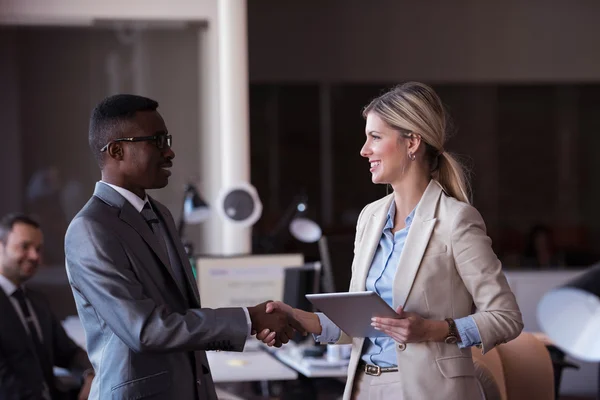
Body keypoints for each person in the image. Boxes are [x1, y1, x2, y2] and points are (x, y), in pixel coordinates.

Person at [262, 82, 524, 399]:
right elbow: (361, 326)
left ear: (412, 142)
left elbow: (505, 318)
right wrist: (298, 317)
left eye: (375, 137)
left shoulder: (456, 220)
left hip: (427, 390)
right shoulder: (370, 218)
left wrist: (434, 329)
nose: (364, 150)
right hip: (363, 386)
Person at [64, 94, 299, 400]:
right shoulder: (90, 229)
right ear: (117, 150)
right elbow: (145, 330)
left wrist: (249, 321)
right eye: (158, 141)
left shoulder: (159, 213)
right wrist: (248, 319)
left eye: (168, 139)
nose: (170, 151)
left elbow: (183, 314)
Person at [0, 213, 94, 400]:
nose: (34, 256)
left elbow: (68, 352)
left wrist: (90, 374)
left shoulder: (37, 302)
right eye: (24, 246)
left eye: (38, 249)